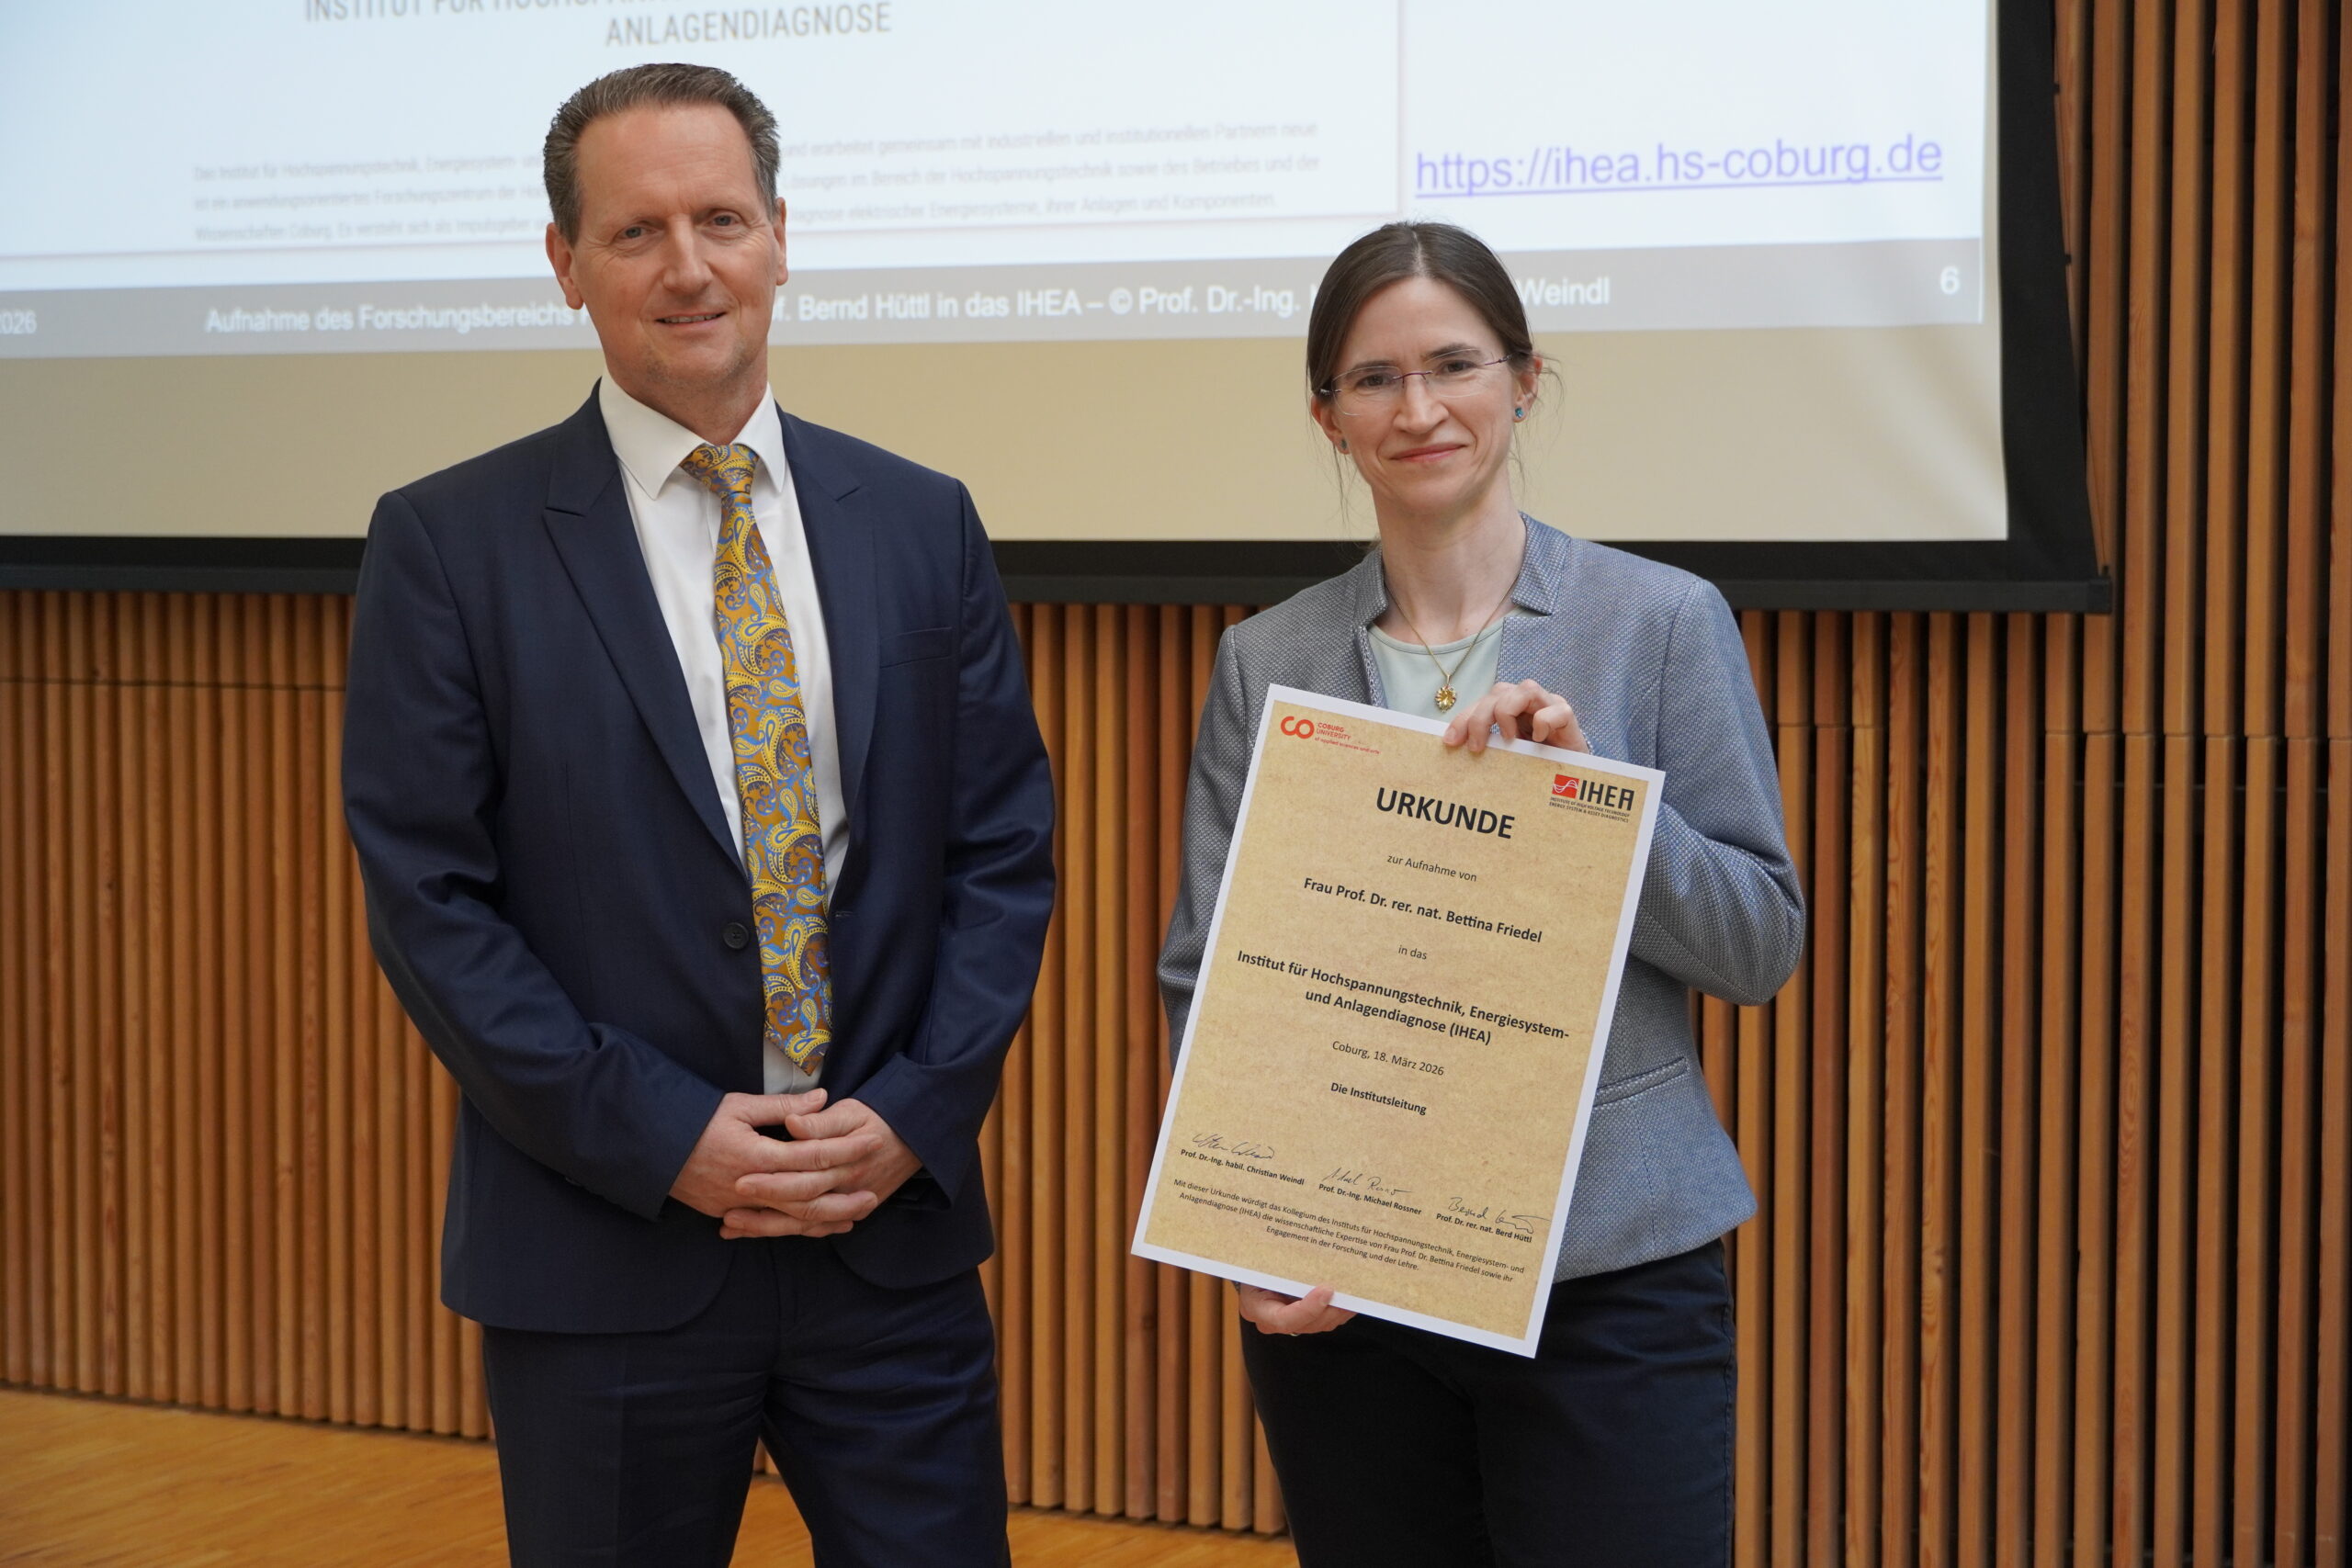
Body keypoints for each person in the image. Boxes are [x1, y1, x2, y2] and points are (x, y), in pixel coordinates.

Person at [341, 62, 1053, 1568]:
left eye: (721, 217)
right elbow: (430, 903)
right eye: (636, 230)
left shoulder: (921, 522)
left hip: (889, 1241)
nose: (688, 266)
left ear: (781, 235)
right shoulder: (448, 542)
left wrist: (915, 1114)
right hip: (607, 1249)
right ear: (565, 264)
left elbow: (1002, 856)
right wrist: (668, 1137)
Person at [1157, 221, 1804, 1567]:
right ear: (1329, 418)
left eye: (1454, 363)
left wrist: (1598, 810)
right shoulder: (1262, 660)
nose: (1420, 407)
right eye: (1375, 379)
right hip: (1352, 1286)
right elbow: (1212, 972)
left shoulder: (1663, 621)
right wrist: (1251, 1222)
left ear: (1524, 379)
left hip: (1610, 1280)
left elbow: (1758, 946)